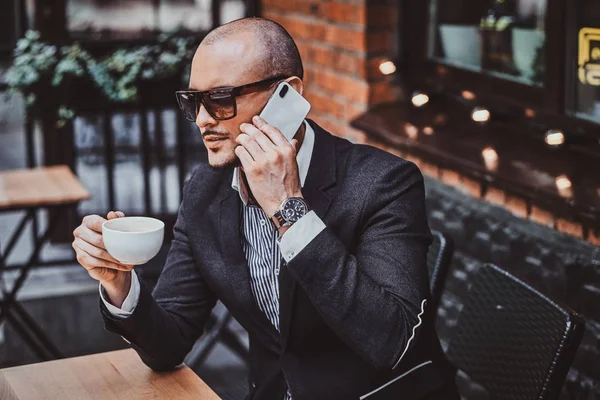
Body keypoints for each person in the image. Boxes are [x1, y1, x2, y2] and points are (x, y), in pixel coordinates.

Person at [72, 17, 459, 400]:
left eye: (221, 99)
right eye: (193, 102)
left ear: (287, 94)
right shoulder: (205, 191)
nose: (204, 120)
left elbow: (392, 340)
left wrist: (288, 208)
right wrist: (119, 284)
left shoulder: (384, 182)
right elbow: (169, 344)